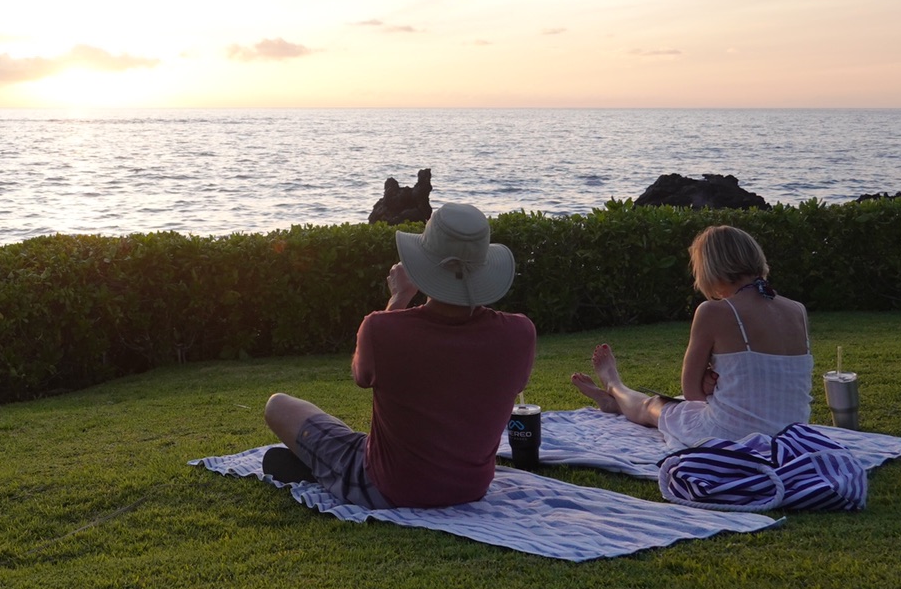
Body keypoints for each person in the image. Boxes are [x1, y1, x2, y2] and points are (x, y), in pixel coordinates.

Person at [262, 203, 536, 509]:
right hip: (471, 487)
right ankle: (323, 469)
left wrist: (398, 298)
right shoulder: (520, 333)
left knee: (278, 406)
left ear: (422, 264)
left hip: (390, 486)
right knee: (356, 442)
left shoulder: (381, 328)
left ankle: (323, 471)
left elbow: (362, 376)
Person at [570, 224, 812, 447]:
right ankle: (615, 403)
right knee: (678, 404)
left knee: (655, 405)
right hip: (791, 434)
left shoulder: (713, 311)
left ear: (710, 268)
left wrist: (708, 383)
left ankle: (614, 385)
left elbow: (692, 393)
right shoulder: (797, 310)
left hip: (733, 433)